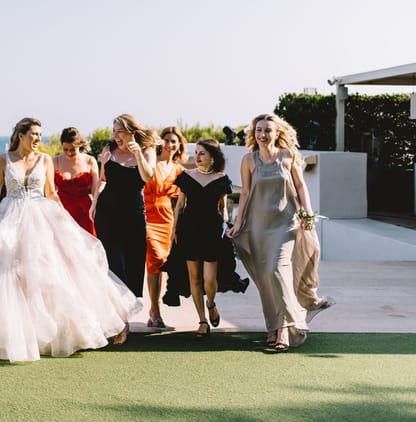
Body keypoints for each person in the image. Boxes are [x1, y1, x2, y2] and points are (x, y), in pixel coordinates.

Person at [0, 118, 140, 363]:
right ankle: (9, 333)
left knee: (49, 272)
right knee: (7, 272)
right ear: (21, 134)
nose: (38, 138)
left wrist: (64, 221)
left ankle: (49, 333)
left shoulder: (45, 160)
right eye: (34, 134)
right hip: (11, 216)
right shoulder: (5, 159)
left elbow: (51, 193)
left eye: (40, 134)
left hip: (41, 216)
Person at [227, 113, 334, 352]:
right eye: (259, 130)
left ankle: (285, 327)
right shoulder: (248, 160)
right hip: (257, 227)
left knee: (277, 272)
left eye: (267, 130)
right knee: (265, 279)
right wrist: (238, 222)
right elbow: (244, 193)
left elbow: (300, 187)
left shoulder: (288, 156)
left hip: (285, 226)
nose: (262, 134)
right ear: (254, 134)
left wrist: (306, 214)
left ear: (277, 133)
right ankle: (273, 327)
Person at [172, 139, 234, 339]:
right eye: (196, 153)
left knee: (209, 279)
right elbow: (180, 205)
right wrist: (174, 229)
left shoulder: (222, 179)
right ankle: (202, 321)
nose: (196, 157)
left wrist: (226, 227)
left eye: (202, 154)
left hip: (212, 232)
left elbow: (223, 208)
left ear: (212, 157)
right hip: (189, 231)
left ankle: (211, 304)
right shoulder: (186, 177)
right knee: (195, 279)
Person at [93, 114, 157, 298]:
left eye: (120, 132)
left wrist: (137, 154)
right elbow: (102, 179)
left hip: (133, 217)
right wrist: (95, 202)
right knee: (115, 265)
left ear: (132, 132)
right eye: (114, 132)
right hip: (107, 215)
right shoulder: (109, 149)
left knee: (133, 266)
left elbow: (148, 177)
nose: (116, 137)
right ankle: (122, 320)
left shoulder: (147, 150)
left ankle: (125, 311)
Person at [143, 126, 187, 329]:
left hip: (166, 218)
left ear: (179, 146)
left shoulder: (179, 170)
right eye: (166, 140)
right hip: (145, 215)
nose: (169, 144)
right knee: (155, 261)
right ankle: (155, 311)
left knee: (161, 265)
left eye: (174, 141)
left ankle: (154, 311)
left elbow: (183, 200)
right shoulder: (152, 163)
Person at [53, 127, 98, 235]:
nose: (69, 153)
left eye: (72, 149)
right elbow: (51, 190)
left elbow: (95, 190)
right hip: (61, 211)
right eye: (65, 149)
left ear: (79, 146)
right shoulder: (55, 161)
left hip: (84, 212)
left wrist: (95, 209)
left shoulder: (90, 161)